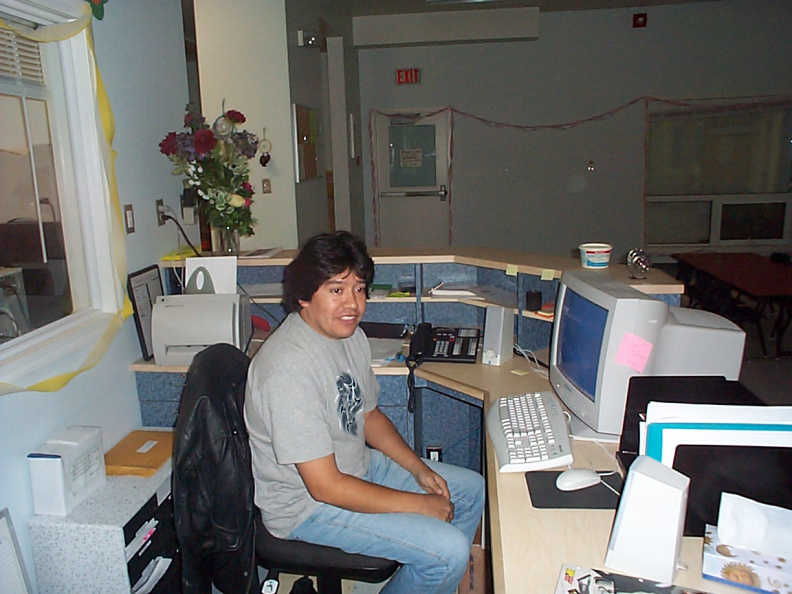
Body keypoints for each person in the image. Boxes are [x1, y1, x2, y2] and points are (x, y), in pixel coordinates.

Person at [244, 231, 485, 594]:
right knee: (447, 552)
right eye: (336, 290)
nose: (352, 304)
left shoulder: (349, 336)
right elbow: (326, 487)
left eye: (359, 289)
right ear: (303, 296)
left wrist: (419, 470)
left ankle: (432, 582)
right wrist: (419, 506)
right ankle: (435, 566)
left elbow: (368, 416)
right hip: (305, 506)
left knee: (470, 489)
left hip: (354, 466)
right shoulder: (286, 370)